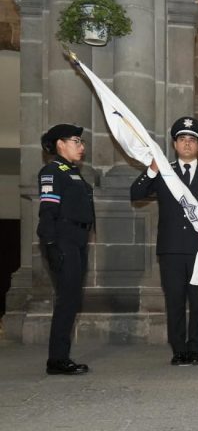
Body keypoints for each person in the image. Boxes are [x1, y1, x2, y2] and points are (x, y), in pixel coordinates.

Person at [130, 116, 198, 366]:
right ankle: (178, 350)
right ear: (175, 144)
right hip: (172, 250)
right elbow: (136, 194)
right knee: (175, 300)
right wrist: (152, 170)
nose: (187, 144)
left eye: (192, 140)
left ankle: (195, 349)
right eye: (182, 139)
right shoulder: (165, 172)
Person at [38, 124, 94, 375]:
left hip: (77, 239)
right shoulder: (52, 171)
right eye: (76, 141)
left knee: (71, 299)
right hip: (64, 240)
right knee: (67, 300)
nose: (81, 147)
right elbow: (48, 211)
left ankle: (59, 357)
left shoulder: (71, 171)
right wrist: (51, 246)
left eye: (81, 142)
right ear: (60, 144)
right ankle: (57, 360)